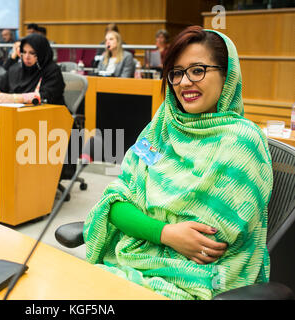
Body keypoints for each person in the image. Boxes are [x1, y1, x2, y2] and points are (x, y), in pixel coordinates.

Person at [83, 26, 273, 300]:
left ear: (227, 74)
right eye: (177, 72)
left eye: (198, 70)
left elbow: (204, 244)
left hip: (193, 283)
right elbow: (114, 201)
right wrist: (165, 231)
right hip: (129, 267)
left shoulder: (242, 141)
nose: (184, 82)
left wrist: (143, 216)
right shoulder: (163, 125)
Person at [0, 33, 65, 105]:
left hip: (48, 117)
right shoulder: (16, 68)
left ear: (42, 53)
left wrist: (15, 98)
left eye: (32, 53)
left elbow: (47, 96)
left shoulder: (52, 70)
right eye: (24, 52)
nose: (26, 57)